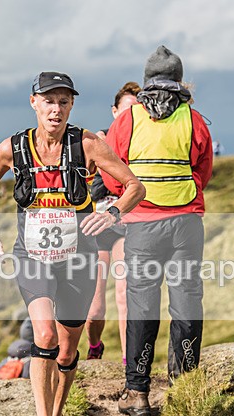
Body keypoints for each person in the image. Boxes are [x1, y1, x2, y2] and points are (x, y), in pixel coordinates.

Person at [0, 72, 145, 416]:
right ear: (34, 102)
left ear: (72, 105)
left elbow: (135, 185)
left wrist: (112, 213)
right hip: (32, 255)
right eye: (49, 101)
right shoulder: (12, 148)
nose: (56, 109)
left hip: (78, 257)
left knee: (68, 350)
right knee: (44, 335)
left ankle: (57, 414)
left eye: (64, 102)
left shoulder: (87, 144)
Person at [104, 46, 213, 416]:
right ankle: (184, 393)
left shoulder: (128, 120)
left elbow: (109, 169)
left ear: (147, 81)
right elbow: (204, 171)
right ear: (180, 81)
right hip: (186, 224)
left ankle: (137, 394)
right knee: (186, 304)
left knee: (142, 307)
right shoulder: (194, 119)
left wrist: (128, 198)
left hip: (141, 227)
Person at [85, 81, 141, 363]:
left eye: (137, 109)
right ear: (114, 110)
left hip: (125, 228)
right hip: (96, 228)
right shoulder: (97, 141)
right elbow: (86, 187)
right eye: (126, 109)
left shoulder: (144, 143)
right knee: (94, 310)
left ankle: (127, 363)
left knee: (124, 294)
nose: (131, 115)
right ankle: (95, 346)